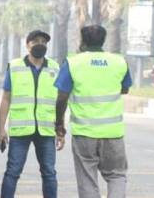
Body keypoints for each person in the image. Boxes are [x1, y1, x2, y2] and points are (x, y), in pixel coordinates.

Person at [54, 25, 132, 198]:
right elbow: (125, 89)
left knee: (87, 180)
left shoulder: (73, 62)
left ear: (82, 41)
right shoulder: (119, 61)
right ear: (103, 40)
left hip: (85, 133)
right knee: (117, 175)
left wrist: (59, 124)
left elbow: (62, 97)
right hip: (113, 133)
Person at [0, 30, 62, 198]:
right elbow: (6, 99)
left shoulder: (55, 68)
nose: (40, 44)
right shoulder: (15, 66)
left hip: (46, 130)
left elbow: (59, 102)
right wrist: (1, 129)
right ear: (27, 45)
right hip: (21, 130)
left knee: (49, 173)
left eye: (43, 42)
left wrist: (60, 130)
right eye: (35, 41)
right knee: (12, 172)